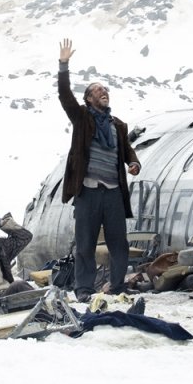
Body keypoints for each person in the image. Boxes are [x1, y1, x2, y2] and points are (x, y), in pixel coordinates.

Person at [57, 38, 141, 302]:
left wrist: (133, 162)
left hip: (113, 192)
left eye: (106, 89)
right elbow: (64, 95)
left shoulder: (118, 125)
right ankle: (84, 289)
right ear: (89, 98)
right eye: (97, 90)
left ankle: (117, 286)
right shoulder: (82, 118)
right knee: (86, 244)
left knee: (119, 243)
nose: (103, 92)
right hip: (89, 191)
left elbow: (125, 149)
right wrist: (63, 65)